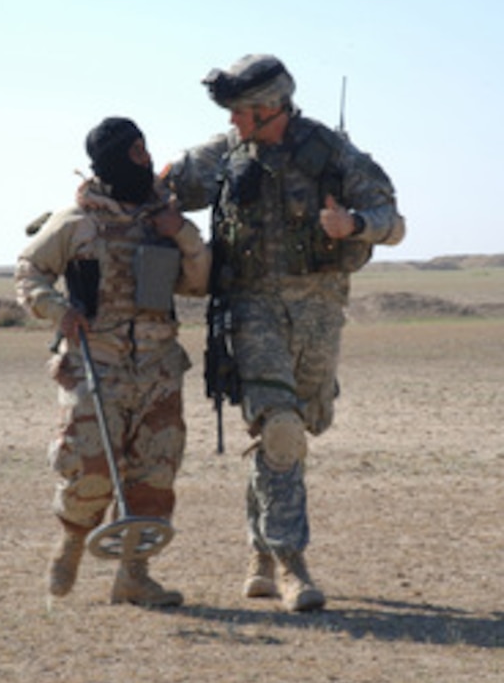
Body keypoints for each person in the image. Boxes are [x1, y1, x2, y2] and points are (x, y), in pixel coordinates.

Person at [162, 54, 405, 612]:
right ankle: (292, 564)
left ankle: (258, 555)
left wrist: (354, 225)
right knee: (280, 428)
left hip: (320, 316)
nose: (233, 124)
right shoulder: (223, 154)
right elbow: (159, 190)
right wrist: (101, 197)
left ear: (269, 108)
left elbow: (393, 219)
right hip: (251, 311)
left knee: (294, 433)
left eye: (241, 114)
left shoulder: (331, 153)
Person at [15, 117, 210, 607]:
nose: (145, 160)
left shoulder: (163, 217)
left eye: (146, 150)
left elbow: (200, 281)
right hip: (94, 362)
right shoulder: (77, 221)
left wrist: (182, 232)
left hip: (158, 366)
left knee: (155, 471)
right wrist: (59, 312)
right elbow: (30, 270)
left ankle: (134, 576)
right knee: (89, 467)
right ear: (112, 161)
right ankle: (73, 542)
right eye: (135, 153)